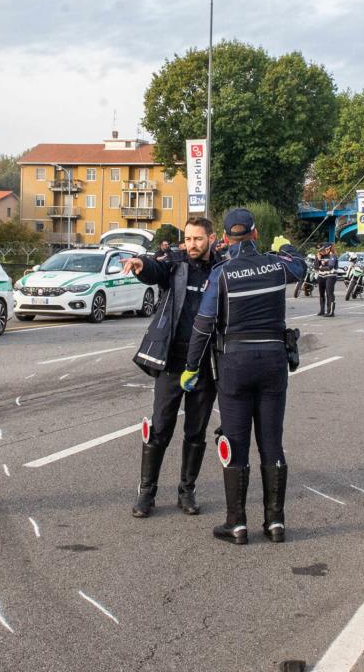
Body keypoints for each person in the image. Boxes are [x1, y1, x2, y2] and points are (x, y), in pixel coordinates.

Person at [180, 209, 306, 544]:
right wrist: (287, 246)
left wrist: (191, 367)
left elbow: (203, 325)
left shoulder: (221, 274)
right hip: (274, 362)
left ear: (224, 239)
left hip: (234, 364)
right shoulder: (277, 265)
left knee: (236, 442)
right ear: (254, 234)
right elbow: (301, 266)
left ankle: (236, 524)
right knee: (272, 442)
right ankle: (275, 522)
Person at [124, 217, 219, 517]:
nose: (191, 245)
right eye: (188, 239)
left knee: (196, 431)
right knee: (161, 427)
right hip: (172, 362)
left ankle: (186, 492)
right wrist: (141, 264)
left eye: (198, 239)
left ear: (212, 239)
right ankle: (146, 493)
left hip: (205, 364)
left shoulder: (222, 269)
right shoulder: (175, 263)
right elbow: (156, 267)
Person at [315, 243, 339, 316]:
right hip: (321, 276)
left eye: (323, 250)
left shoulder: (333, 255)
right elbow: (315, 266)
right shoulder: (320, 256)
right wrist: (318, 259)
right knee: (321, 294)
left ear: (328, 249)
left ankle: (331, 312)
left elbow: (330, 266)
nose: (321, 251)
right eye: (320, 250)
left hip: (331, 275)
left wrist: (321, 268)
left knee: (329, 293)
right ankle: (322, 310)